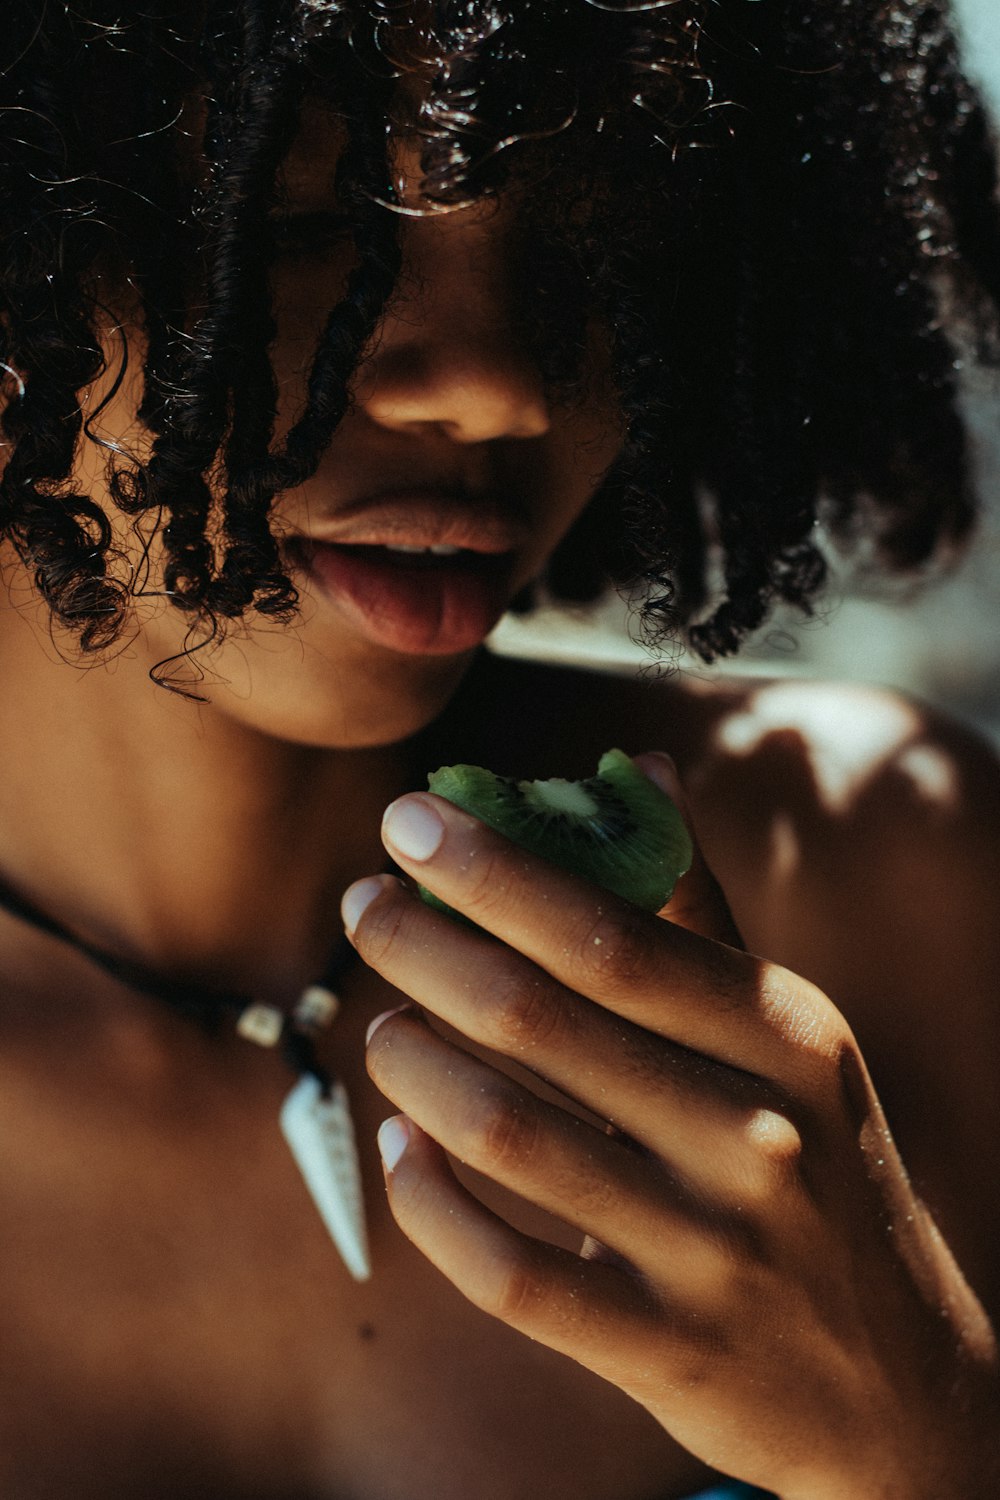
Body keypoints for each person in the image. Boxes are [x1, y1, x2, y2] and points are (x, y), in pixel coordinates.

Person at [0, 2, 998, 1496]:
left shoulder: (892, 886)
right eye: (293, 228)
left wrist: (930, 1442)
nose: (499, 384)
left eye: (594, 248)